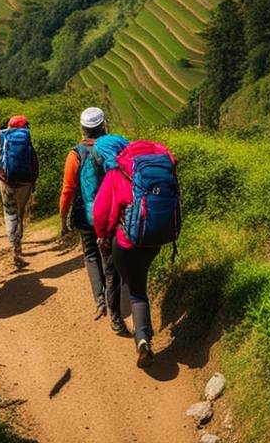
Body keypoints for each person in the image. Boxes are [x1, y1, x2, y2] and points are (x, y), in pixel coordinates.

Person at [94, 140, 181, 368]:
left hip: (125, 242)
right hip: (154, 240)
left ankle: (142, 339)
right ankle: (142, 332)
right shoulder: (166, 170)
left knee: (134, 288)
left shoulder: (118, 171)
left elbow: (100, 212)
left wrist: (102, 236)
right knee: (138, 283)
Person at [59, 106, 129, 334]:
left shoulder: (75, 154)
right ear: (103, 126)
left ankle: (100, 300)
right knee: (109, 257)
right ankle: (115, 302)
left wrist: (63, 217)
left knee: (91, 256)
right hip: (112, 214)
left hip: (85, 214)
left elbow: (68, 189)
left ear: (83, 129)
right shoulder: (112, 149)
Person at [0, 115, 39, 265]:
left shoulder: (4, 138)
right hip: (25, 182)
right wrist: (33, 182)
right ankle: (17, 245)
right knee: (20, 213)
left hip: (6, 180)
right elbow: (34, 164)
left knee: (10, 211)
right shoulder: (27, 140)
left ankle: (12, 244)